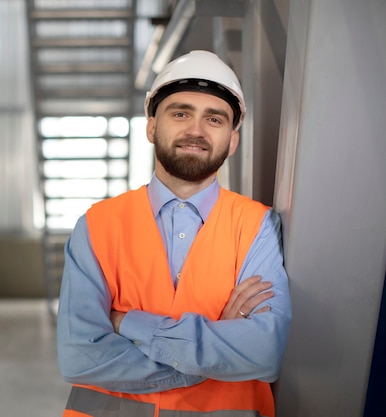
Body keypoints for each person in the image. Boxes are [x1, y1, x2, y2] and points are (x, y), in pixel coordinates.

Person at [56, 50, 292, 417]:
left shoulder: (257, 225)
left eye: (214, 119)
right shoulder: (98, 225)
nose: (195, 130)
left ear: (232, 141)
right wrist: (212, 358)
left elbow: (263, 352)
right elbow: (79, 358)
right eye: (180, 113)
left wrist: (127, 323)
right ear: (152, 127)